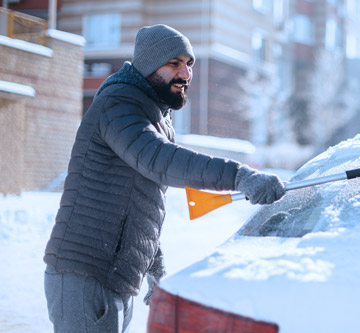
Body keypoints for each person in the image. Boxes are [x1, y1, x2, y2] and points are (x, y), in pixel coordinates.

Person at [43, 24, 285, 332]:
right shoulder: (118, 105)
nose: (186, 73)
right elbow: (159, 160)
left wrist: (153, 266)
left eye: (189, 64)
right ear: (147, 65)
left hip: (113, 276)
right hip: (85, 273)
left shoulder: (152, 116)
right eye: (174, 63)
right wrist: (238, 175)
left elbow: (136, 205)